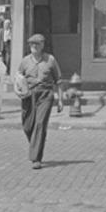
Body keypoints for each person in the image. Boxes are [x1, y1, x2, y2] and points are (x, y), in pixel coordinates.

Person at [17, 33, 62, 170]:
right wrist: (17, 90)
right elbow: (18, 77)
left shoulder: (50, 60)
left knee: (40, 123)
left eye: (36, 44)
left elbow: (58, 81)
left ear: (42, 45)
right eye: (31, 44)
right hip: (28, 95)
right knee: (27, 125)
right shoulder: (25, 61)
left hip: (45, 94)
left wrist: (61, 100)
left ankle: (36, 158)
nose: (33, 46)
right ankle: (36, 143)